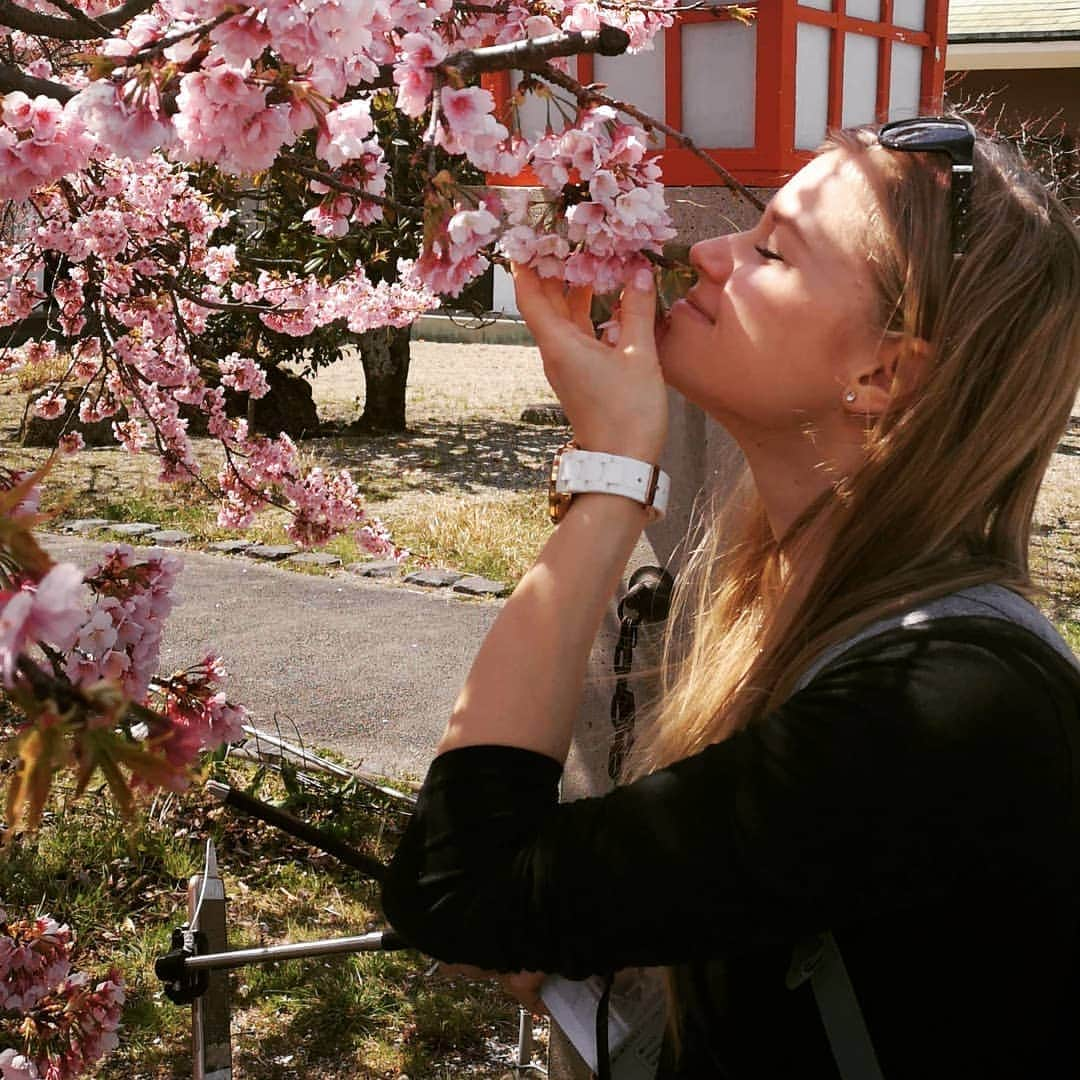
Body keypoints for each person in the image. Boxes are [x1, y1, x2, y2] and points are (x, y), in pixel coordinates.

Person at [380, 117, 1080, 1078]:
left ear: (884, 373)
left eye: (770, 250)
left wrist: (615, 472)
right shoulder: (810, 614)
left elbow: (462, 887)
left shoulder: (943, 705)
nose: (705, 253)